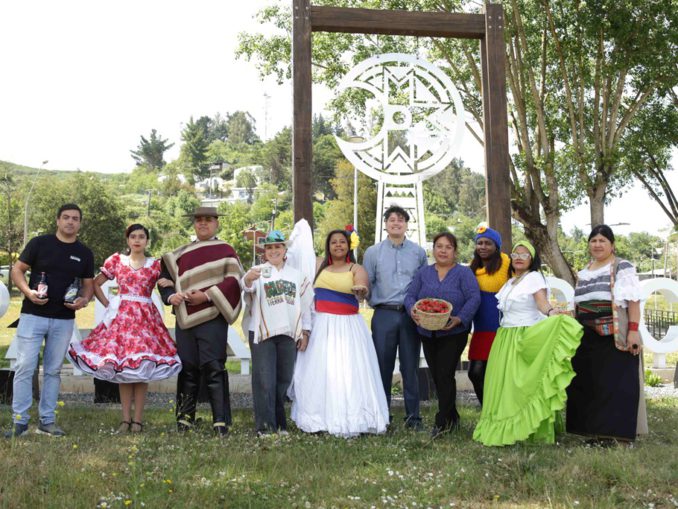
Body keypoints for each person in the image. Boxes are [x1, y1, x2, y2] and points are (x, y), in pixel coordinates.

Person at [68, 224, 182, 433]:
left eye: (141, 237)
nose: (137, 240)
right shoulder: (117, 261)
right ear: (128, 240)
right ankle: (125, 419)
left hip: (146, 320)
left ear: (147, 241)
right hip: (122, 320)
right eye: (133, 236)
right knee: (123, 369)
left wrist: (168, 281)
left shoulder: (156, 265)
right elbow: (95, 283)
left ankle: (137, 420)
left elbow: (171, 282)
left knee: (141, 369)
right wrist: (108, 304)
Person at [473, 241, 583, 446]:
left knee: (522, 386)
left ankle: (528, 429)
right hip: (505, 337)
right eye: (516, 254)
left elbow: (542, 303)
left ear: (532, 259)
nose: (519, 258)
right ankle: (505, 427)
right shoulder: (511, 281)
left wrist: (552, 312)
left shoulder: (533, 278)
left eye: (524, 255)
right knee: (506, 387)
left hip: (523, 335)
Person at [5, 204, 94, 438]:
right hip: (33, 316)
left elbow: (88, 285)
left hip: (64, 320)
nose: (70, 222)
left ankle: (47, 421)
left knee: (53, 371)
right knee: (24, 367)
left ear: (80, 223)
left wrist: (84, 300)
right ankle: (19, 422)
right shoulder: (39, 244)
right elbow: (17, 270)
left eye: (75, 218)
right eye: (66, 217)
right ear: (57, 220)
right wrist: (28, 292)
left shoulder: (84, 253)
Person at [290, 229, 389, 437]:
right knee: (319, 371)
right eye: (333, 242)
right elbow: (296, 261)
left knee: (349, 371)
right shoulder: (318, 264)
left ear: (348, 245)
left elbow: (363, 286)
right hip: (321, 324)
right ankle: (318, 419)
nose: (338, 245)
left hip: (348, 326)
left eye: (342, 242)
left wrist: (360, 290)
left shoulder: (356, 268)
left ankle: (356, 419)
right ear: (328, 246)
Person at [157, 207, 243, 437]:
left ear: (217, 223)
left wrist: (206, 296)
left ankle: (221, 422)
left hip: (213, 316)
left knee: (214, 367)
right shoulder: (180, 254)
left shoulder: (226, 250)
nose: (203, 224)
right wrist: (171, 296)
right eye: (198, 220)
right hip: (185, 318)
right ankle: (184, 420)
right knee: (188, 368)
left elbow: (234, 282)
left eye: (208, 220)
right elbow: (163, 280)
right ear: (194, 224)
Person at [567, 224, 644, 444]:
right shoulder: (585, 271)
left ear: (612, 245)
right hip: (586, 337)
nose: (597, 245)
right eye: (593, 240)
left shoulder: (621, 267)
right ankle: (594, 434)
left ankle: (619, 437)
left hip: (613, 335)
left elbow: (633, 302)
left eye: (603, 240)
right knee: (590, 384)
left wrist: (633, 331)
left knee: (617, 385)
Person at [405, 232, 480, 437]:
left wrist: (460, 318)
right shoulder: (424, 273)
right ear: (433, 249)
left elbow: (474, 297)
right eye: (439, 246)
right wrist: (412, 310)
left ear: (455, 251)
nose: (443, 251)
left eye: (448, 247)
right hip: (427, 331)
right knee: (438, 376)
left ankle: (442, 423)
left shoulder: (463, 273)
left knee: (444, 374)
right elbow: (410, 295)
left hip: (454, 332)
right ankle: (452, 417)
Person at [241, 230, 313, 435]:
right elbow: (246, 288)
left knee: (283, 380)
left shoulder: (296, 275)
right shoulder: (257, 271)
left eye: (278, 247)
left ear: (284, 250)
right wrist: (247, 279)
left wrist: (305, 331)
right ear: (264, 251)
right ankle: (265, 427)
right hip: (262, 332)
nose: (274, 251)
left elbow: (305, 305)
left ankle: (279, 424)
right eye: (269, 248)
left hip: (288, 333)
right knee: (264, 380)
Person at [363, 205, 428, 430]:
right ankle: (382, 416)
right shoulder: (373, 252)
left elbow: (423, 283)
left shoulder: (418, 253)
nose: (396, 223)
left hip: (410, 315)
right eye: (391, 219)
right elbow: (367, 282)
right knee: (382, 366)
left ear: (406, 224)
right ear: (385, 224)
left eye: (401, 219)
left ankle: (413, 418)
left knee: (410, 367)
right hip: (384, 314)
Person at [468, 225, 511, 405]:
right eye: (480, 243)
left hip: (501, 328)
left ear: (496, 246)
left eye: (488, 243)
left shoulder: (507, 263)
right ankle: (487, 409)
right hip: (480, 329)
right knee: (475, 373)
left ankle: (499, 410)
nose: (483, 247)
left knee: (501, 374)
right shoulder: (472, 268)